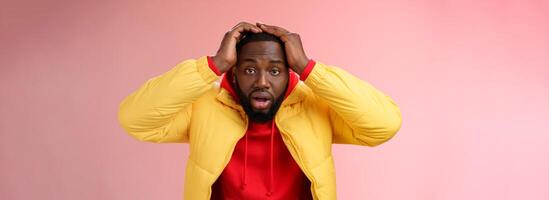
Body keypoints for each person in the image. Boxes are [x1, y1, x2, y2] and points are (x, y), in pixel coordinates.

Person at [118, 22, 402, 200]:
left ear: (289, 72)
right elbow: (136, 120)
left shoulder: (314, 106)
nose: (262, 81)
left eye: (275, 70)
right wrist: (213, 65)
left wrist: (309, 68)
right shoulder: (205, 106)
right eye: (250, 69)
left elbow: (384, 124)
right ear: (234, 72)